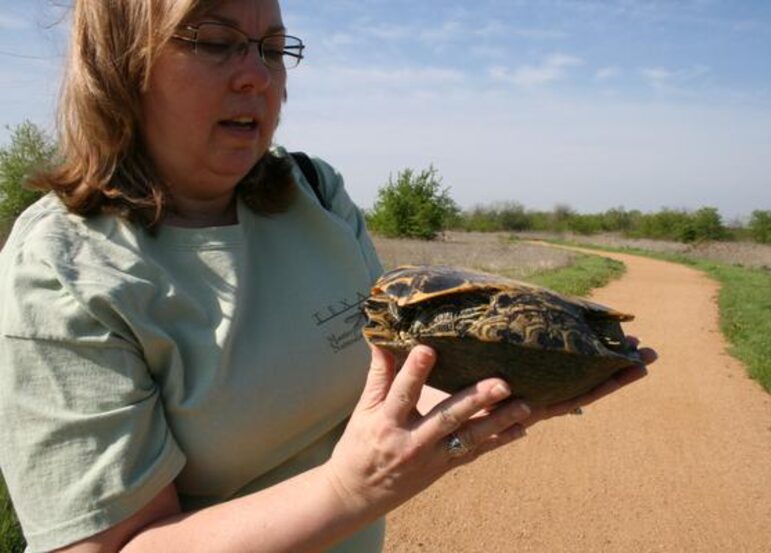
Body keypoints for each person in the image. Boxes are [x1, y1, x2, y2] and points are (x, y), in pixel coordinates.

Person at [0, 1, 657, 551]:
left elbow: (392, 393)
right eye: (218, 41)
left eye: (273, 49)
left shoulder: (311, 192)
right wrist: (351, 490)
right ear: (118, 62)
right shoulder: (62, 268)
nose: (258, 75)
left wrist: (513, 385)